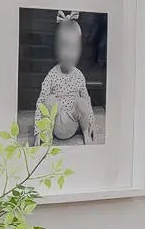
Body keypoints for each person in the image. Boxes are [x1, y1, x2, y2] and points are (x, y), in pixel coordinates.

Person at [30, 13, 101, 145]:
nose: (69, 53)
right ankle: (46, 135)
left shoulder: (79, 75)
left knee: (82, 101)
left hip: (72, 122)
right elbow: (41, 102)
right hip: (54, 123)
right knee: (49, 99)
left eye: (74, 47)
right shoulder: (52, 74)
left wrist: (91, 123)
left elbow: (87, 101)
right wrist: (38, 129)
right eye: (64, 46)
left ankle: (86, 133)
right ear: (57, 48)